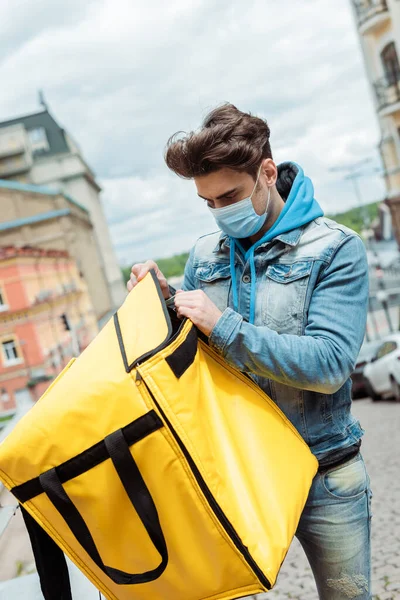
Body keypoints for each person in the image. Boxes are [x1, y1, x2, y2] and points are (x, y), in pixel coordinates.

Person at [128, 104, 372, 600]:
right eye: (208, 202)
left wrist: (225, 327)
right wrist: (165, 302)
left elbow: (329, 365)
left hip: (326, 474)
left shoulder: (336, 249)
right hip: (238, 474)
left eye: (230, 196)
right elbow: (196, 360)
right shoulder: (203, 256)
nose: (220, 211)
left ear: (266, 172)